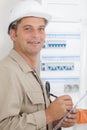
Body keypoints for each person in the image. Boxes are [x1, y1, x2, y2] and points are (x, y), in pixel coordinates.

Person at [0, 0, 77, 130]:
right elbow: (4, 125)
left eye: (40, 29)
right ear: (13, 34)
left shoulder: (30, 72)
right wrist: (48, 115)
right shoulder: (6, 71)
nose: (36, 35)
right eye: (28, 28)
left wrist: (57, 119)